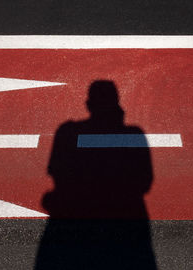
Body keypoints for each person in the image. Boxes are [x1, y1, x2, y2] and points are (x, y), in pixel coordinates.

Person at [35, 80, 157, 269]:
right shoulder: (135, 134)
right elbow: (145, 182)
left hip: (79, 222)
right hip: (127, 221)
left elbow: (58, 174)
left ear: (89, 105)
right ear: (118, 105)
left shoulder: (67, 133)